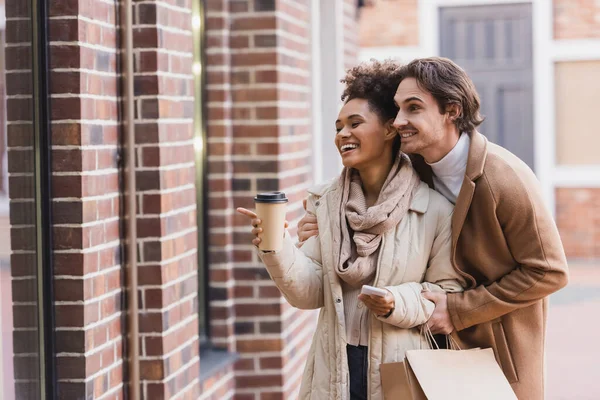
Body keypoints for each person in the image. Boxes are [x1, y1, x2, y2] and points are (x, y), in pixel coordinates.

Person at [297, 57, 569, 400]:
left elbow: (550, 272)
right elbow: (377, 226)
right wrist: (323, 225)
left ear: (452, 110)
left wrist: (458, 310)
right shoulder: (414, 170)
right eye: (396, 109)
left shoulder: (505, 178)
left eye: (413, 108)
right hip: (430, 348)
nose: (399, 121)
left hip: (496, 350)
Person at [237, 60, 465, 400]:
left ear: (390, 129)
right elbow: (310, 292)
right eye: (339, 126)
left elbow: (446, 293)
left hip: (400, 369)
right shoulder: (323, 203)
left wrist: (395, 302)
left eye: (355, 123)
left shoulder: (435, 210)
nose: (342, 134)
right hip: (333, 370)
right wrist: (277, 247)